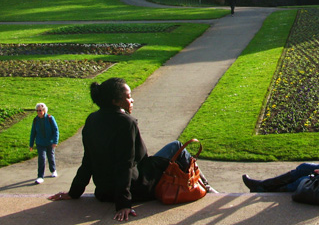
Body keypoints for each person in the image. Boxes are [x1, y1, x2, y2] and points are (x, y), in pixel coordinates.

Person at [49, 78, 212, 222]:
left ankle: (205, 186)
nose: (132, 100)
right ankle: (205, 187)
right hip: (137, 187)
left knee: (173, 150)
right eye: (128, 97)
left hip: (104, 191)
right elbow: (125, 163)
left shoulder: (92, 120)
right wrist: (123, 204)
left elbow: (88, 160)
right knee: (176, 147)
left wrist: (74, 192)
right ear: (115, 101)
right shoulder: (126, 123)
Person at [29, 102, 59, 184]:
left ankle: (53, 170)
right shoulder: (35, 120)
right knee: (41, 159)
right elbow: (33, 133)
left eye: (40, 110)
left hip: (49, 142)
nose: (39, 112)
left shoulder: (50, 118)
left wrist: (55, 141)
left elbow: (56, 131)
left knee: (50, 157)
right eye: (37, 110)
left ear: (44, 110)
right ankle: (40, 176)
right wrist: (31, 144)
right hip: (40, 143)